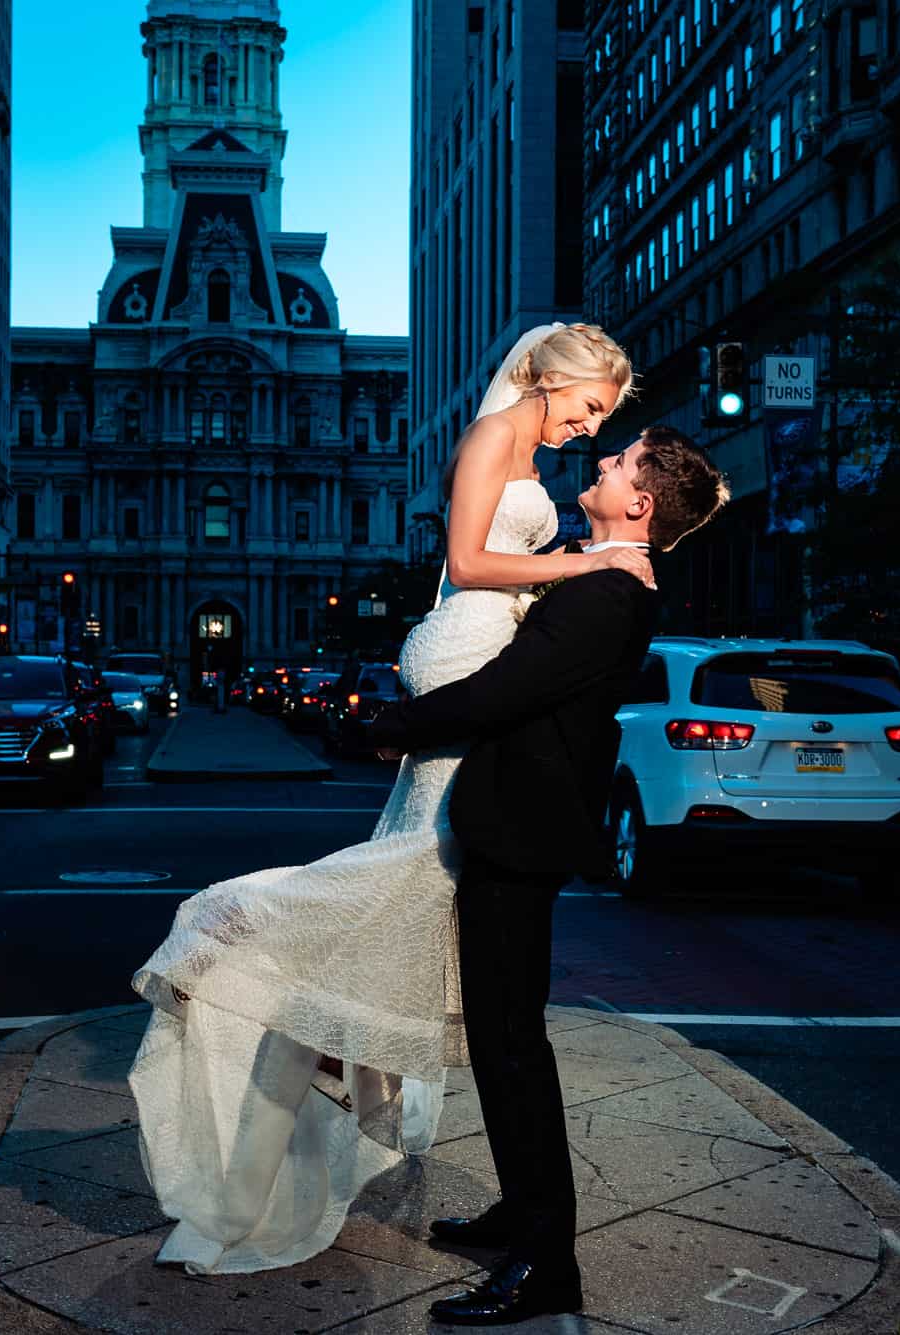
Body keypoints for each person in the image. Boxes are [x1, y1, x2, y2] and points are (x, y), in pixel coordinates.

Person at [127, 323, 650, 1275]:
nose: (594, 425)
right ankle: (255, 1152)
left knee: (409, 946)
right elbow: (473, 563)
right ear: (544, 377)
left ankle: (271, 1171)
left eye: (606, 419)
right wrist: (584, 562)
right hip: (467, 694)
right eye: (591, 405)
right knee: (388, 927)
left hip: (478, 712)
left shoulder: (532, 458)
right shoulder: (496, 439)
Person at [369, 427, 728, 1325]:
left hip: (522, 830)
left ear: (641, 502)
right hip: (522, 822)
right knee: (504, 1040)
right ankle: (520, 1214)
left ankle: (546, 1265)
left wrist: (389, 723)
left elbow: (506, 691)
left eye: (618, 463)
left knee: (512, 1045)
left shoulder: (609, 591)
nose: (599, 462)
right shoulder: (603, 575)